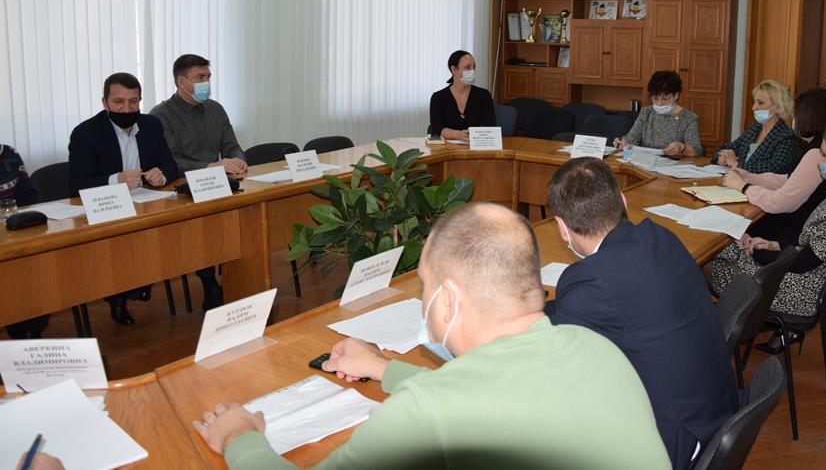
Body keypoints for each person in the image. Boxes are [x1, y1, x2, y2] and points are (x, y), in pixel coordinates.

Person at [192, 203, 671, 470]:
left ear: (448, 300)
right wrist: (383, 368)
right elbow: (489, 394)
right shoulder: (597, 348)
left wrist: (239, 436)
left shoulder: (428, 412)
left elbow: (452, 404)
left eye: (424, 286)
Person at [543, 157, 738, 469]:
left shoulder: (591, 280)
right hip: (715, 411)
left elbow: (555, 357)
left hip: (679, 440)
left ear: (562, 229)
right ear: (623, 200)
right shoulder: (659, 236)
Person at [708, 117, 826, 350]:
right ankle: (726, 327)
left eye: (825, 155)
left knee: (711, 256)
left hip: (797, 291)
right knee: (727, 247)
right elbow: (812, 244)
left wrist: (752, 252)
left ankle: (720, 335)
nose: (821, 162)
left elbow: (802, 263)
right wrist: (773, 244)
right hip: (804, 279)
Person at [68, 73, 179, 325]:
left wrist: (161, 174)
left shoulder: (151, 125)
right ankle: (117, 295)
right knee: (121, 241)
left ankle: (143, 279)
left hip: (146, 203)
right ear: (104, 102)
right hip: (106, 207)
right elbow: (76, 185)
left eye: (133, 101)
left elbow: (170, 165)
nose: (126, 109)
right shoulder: (86, 133)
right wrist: (114, 180)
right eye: (118, 102)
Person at [151, 54, 243, 311]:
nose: (206, 83)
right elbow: (169, 162)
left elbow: (232, 145)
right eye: (200, 78)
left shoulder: (216, 109)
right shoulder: (160, 115)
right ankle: (209, 281)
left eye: (208, 77)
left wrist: (238, 159)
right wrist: (209, 166)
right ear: (182, 82)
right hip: (181, 190)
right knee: (202, 229)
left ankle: (238, 274)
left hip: (218, 184)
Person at [722, 87, 826, 243]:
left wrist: (743, 187)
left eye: (797, 116)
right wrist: (750, 177)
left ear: (809, 118)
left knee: (730, 232)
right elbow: (791, 180)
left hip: (792, 232)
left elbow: (781, 203)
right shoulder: (823, 145)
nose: (794, 120)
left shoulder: (819, 152)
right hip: (799, 225)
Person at [713, 79, 800, 175]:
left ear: (778, 107)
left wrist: (736, 165)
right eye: (754, 102)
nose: (753, 107)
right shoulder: (754, 129)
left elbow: (776, 167)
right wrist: (722, 157)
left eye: (761, 103)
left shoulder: (787, 137)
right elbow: (725, 147)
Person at [2, 144, 45, 339]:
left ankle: (29, 332)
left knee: (37, 270)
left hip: (14, 233)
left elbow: (29, 196)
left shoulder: (8, 154)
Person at [613, 70, 703, 156]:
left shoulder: (688, 118)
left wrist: (682, 147)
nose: (659, 103)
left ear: (676, 95)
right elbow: (633, 137)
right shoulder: (646, 112)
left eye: (665, 99)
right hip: (645, 161)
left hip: (673, 163)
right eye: (655, 98)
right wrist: (623, 143)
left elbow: (696, 151)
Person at [428, 50, 496, 141]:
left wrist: (475, 135)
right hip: (447, 146)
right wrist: (458, 135)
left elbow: (490, 126)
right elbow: (437, 129)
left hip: (475, 145)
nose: (472, 71)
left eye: (474, 67)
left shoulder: (484, 95)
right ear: (453, 69)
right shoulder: (438, 97)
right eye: (467, 67)